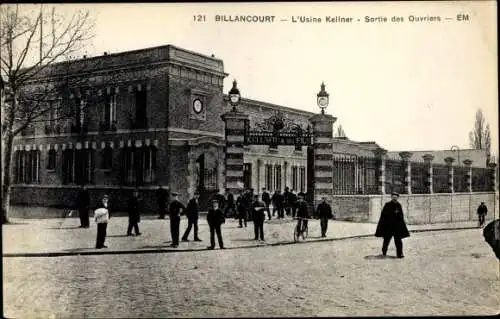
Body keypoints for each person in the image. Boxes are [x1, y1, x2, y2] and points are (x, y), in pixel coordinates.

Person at [375, 192, 410, 258]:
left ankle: (400, 254)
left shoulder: (399, 205)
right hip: (389, 226)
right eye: (393, 197)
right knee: (386, 240)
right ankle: (384, 251)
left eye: (396, 197)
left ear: (398, 197)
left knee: (398, 241)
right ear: (391, 197)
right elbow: (384, 215)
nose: (395, 198)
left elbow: (401, 216)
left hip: (397, 227)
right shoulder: (387, 205)